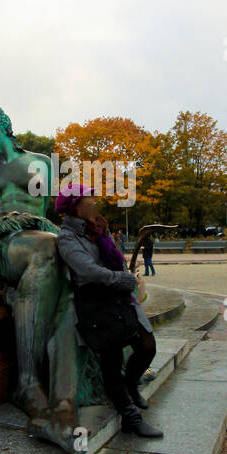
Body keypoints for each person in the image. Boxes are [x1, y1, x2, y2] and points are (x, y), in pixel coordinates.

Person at [55, 189, 159, 441]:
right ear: (76, 206)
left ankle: (131, 385)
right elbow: (88, 271)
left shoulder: (99, 227)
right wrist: (124, 279)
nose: (95, 201)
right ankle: (131, 418)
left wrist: (126, 275)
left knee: (147, 345)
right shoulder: (67, 237)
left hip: (121, 297)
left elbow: (114, 260)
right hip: (96, 303)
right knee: (110, 363)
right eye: (89, 198)